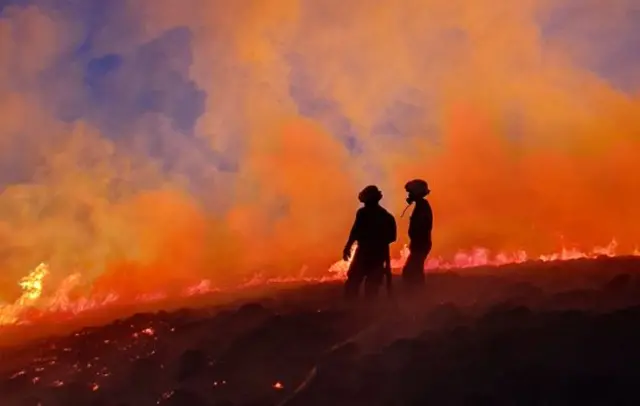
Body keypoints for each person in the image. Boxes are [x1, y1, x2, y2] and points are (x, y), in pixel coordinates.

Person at [343, 185, 397, 299]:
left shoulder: (362, 214)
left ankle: (352, 309)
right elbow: (392, 238)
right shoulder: (387, 216)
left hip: (364, 254)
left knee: (354, 282)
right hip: (378, 255)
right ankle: (369, 310)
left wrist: (348, 246)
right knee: (371, 286)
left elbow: (355, 232)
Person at [401, 179, 433, 290]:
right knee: (415, 271)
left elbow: (421, 226)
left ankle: (417, 294)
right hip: (419, 244)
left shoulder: (422, 207)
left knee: (411, 271)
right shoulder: (421, 205)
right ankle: (418, 294)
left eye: (410, 193)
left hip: (420, 245)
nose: (409, 195)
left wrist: (415, 239)